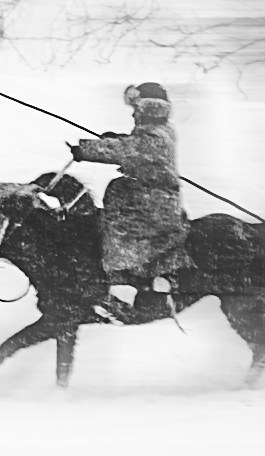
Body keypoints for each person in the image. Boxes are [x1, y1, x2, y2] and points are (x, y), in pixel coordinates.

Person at [65, 79, 189, 320]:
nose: (133, 113)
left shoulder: (155, 135)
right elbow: (131, 147)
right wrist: (115, 139)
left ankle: (122, 286)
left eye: (135, 108)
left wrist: (87, 149)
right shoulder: (158, 131)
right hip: (150, 198)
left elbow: (128, 150)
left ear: (146, 108)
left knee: (118, 230)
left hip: (154, 203)